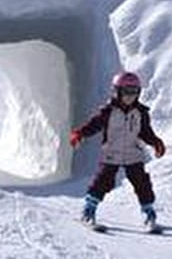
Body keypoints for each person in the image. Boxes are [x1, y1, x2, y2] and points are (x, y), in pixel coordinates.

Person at [70, 70, 166, 232]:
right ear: (116, 92)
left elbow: (145, 132)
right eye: (126, 92)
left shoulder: (140, 113)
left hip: (133, 154)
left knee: (142, 183)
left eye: (134, 92)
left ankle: (148, 213)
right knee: (102, 182)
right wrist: (80, 133)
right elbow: (94, 125)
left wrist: (155, 142)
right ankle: (88, 211)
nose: (130, 96)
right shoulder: (107, 112)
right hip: (111, 154)